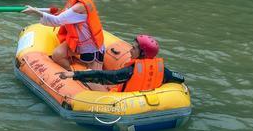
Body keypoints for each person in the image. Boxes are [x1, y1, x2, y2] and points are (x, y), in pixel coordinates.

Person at [22, 0, 105, 70]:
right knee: (57, 55)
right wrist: (36, 9)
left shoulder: (80, 6)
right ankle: (72, 73)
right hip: (78, 42)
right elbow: (61, 13)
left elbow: (57, 21)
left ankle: (80, 77)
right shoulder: (76, 0)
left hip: (92, 47)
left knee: (93, 81)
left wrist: (35, 12)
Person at [57, 35, 185, 92]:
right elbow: (180, 78)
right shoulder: (163, 71)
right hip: (140, 102)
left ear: (143, 54)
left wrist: (74, 74)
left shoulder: (130, 71)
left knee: (89, 77)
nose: (130, 49)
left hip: (123, 103)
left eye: (134, 48)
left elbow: (105, 76)